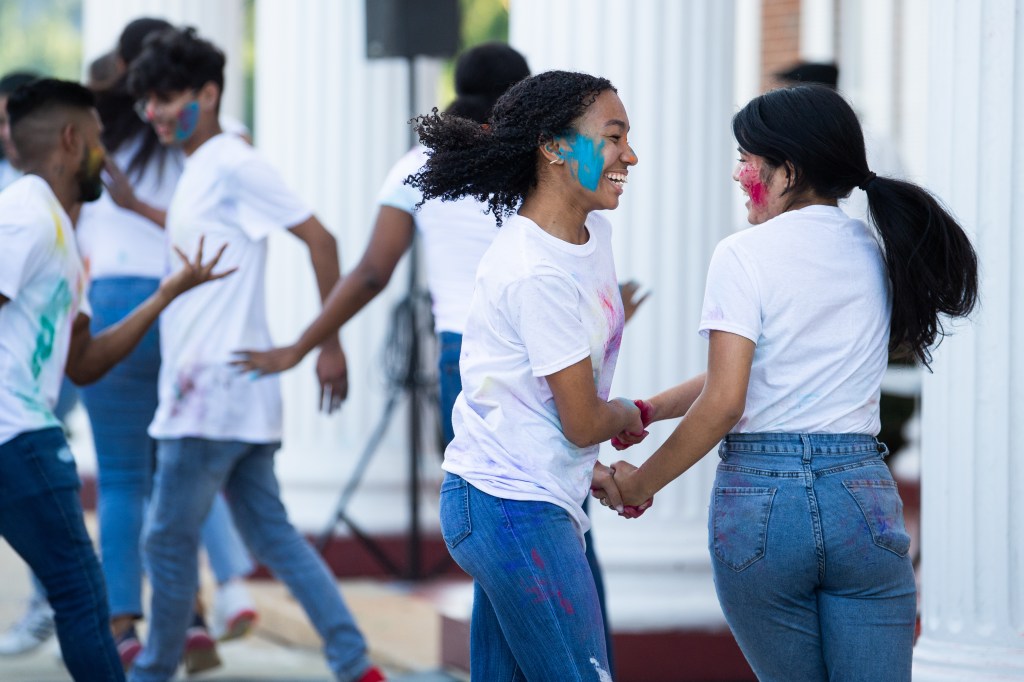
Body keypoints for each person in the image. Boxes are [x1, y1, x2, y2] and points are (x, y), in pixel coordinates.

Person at [231, 42, 645, 669]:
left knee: (532, 537)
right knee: (545, 529)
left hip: (472, 355)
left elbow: (372, 271)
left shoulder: (423, 165)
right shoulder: (535, 194)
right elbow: (572, 388)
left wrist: (309, 344)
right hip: (506, 359)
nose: (625, 153)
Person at [598, 84, 978, 681]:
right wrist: (650, 409)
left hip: (762, 505)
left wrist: (643, 483)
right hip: (863, 498)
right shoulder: (878, 253)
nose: (737, 173)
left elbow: (727, 400)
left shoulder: (743, 255)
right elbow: (763, 374)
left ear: (788, 171)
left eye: (748, 159)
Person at [125, 27, 383, 682]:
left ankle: (153, 670)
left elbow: (320, 239)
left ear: (208, 93)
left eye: (167, 96)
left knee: (165, 538)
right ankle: (356, 665)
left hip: (213, 394)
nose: (153, 111)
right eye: (146, 99)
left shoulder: (233, 162)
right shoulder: (205, 162)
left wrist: (322, 344)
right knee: (272, 537)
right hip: (225, 392)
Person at [0, 77, 230, 682]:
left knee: (80, 595)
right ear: (72, 142)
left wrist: (166, 295)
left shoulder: (59, 231)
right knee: (83, 596)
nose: (109, 154)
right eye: (102, 140)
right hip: (16, 434)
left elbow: (84, 363)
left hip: (19, 432)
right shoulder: (24, 214)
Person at [418, 69, 641, 679]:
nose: (631, 155)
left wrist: (584, 464)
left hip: (528, 494)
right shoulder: (533, 268)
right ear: (553, 147)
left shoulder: (594, 235)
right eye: (613, 136)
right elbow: (583, 420)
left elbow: (527, 400)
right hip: (509, 506)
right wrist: (621, 419)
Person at [76, 17, 259, 673]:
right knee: (184, 471)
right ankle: (196, 619)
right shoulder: (214, 134)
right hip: (186, 305)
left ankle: (125, 627)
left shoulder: (95, 136)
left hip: (116, 305)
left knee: (123, 480)